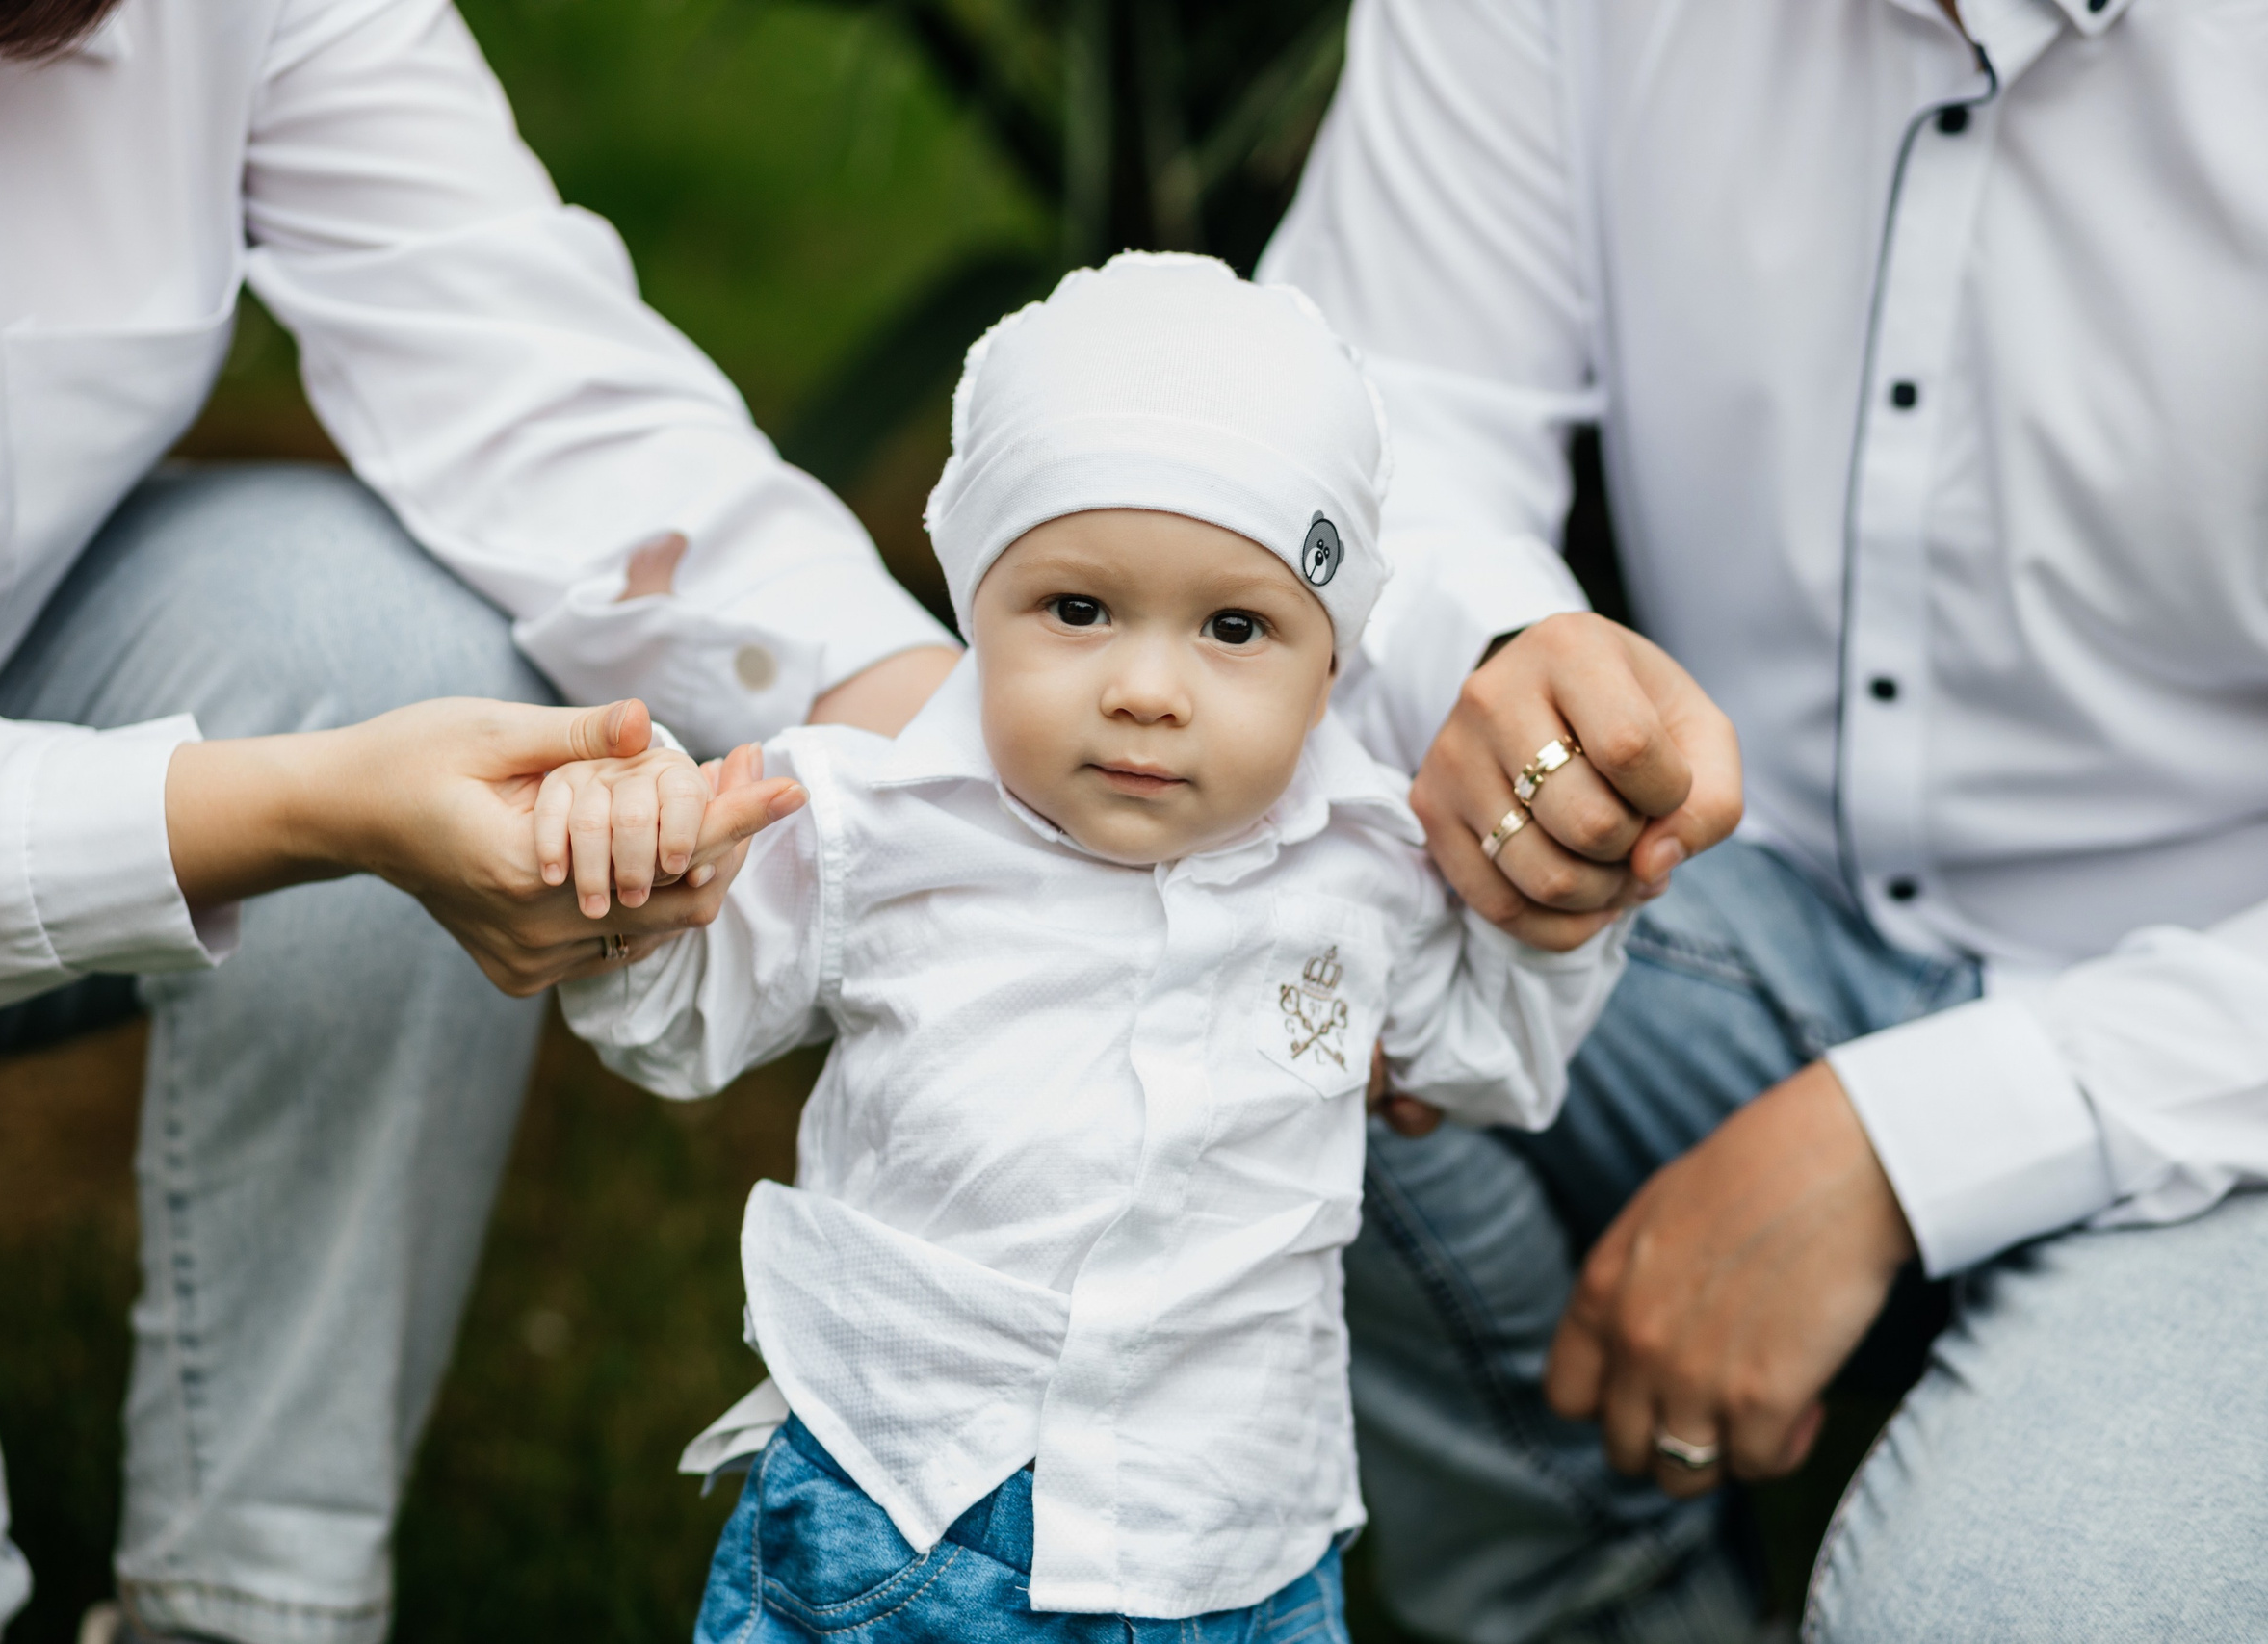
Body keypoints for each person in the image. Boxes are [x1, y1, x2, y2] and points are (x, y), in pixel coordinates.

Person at [0, 0, 957, 1639]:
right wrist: (294, 806)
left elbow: (538, 378)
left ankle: (253, 1607)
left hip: (3, 691)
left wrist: (961, 771)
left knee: (381, 636)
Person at [1254, 0, 2268, 1638]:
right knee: (1246, 887)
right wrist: (1502, 653)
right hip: (1731, 914)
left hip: (2237, 1103)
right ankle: (1580, 1601)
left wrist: (1895, 1145)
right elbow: (1361, 404)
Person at [548, 254, 1632, 1639]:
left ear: (1331, 664)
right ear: (974, 603)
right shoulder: (882, 822)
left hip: (1235, 1540)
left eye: (1235, 628)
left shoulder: (1365, 861)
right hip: (904, 1504)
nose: (1143, 687)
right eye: (1077, 609)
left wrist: (1570, 898)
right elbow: (672, 1025)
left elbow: (1490, 1058)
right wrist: (629, 881)